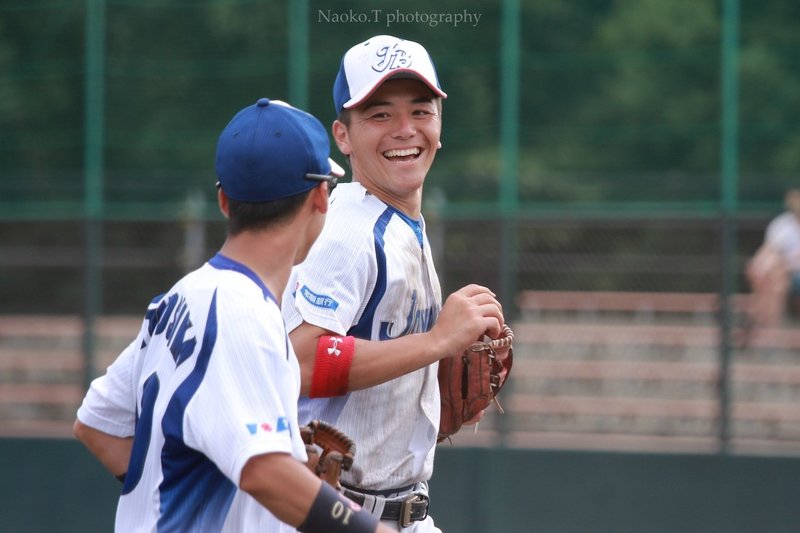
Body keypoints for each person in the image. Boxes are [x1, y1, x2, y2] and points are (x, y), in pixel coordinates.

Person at [73, 97, 393, 533]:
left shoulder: (182, 297)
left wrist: (178, 501)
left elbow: (97, 427)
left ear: (224, 201)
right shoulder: (241, 312)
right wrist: (368, 529)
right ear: (322, 196)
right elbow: (264, 472)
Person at [281, 35, 507, 532]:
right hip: (336, 512)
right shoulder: (349, 231)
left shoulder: (397, 220)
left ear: (440, 125)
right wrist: (436, 342)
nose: (404, 130)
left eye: (421, 111)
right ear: (342, 135)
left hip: (402, 509)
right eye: (379, 115)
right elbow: (299, 361)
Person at [746, 188, 800, 329]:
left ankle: (759, 320)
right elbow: (770, 250)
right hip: (785, 275)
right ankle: (765, 325)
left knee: (776, 281)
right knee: (775, 281)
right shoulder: (784, 224)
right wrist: (760, 265)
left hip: (790, 274)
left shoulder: (783, 225)